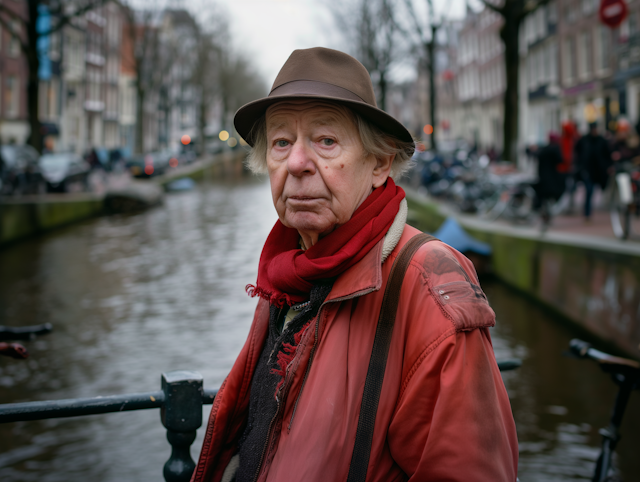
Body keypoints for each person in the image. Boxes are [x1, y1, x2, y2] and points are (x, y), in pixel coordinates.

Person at [191, 47, 518, 482]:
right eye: (281, 142)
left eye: (326, 141)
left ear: (380, 162)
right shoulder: (287, 273)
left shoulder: (428, 286)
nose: (297, 163)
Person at [574, 122, 612, 220]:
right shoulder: (584, 140)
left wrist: (608, 166)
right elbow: (578, 152)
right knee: (589, 190)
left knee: (602, 189)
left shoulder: (602, 141)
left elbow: (607, 154)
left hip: (599, 171)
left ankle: (606, 209)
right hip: (588, 170)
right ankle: (587, 213)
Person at [533, 132, 566, 224]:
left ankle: (544, 214)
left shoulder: (543, 149)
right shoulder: (555, 149)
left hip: (543, 178)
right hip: (553, 179)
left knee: (543, 198)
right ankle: (547, 215)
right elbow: (560, 160)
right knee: (552, 197)